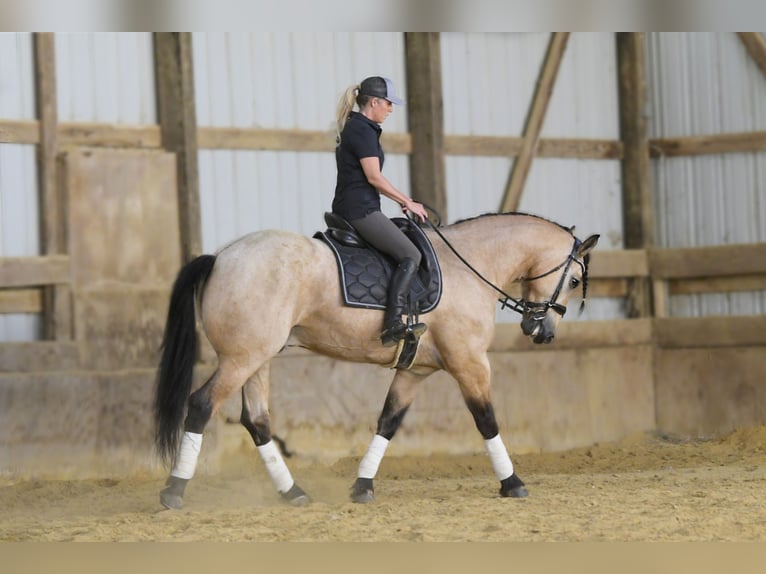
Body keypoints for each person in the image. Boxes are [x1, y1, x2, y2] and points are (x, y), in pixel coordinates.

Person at [332, 76, 429, 347]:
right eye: (388, 103)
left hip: (355, 205)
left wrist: (398, 199)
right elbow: (374, 177)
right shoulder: (362, 131)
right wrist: (407, 201)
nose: (390, 109)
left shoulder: (358, 127)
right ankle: (393, 324)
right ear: (374, 102)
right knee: (411, 253)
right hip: (359, 210)